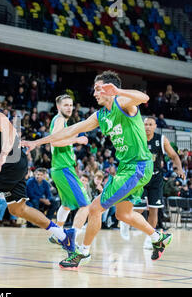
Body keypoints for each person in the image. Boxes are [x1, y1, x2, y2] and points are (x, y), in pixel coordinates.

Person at [22, 70, 172, 269]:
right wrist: (38, 142)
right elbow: (69, 130)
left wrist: (118, 91)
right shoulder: (100, 115)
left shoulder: (124, 104)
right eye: (94, 89)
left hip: (138, 166)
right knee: (123, 214)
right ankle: (158, 237)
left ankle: (82, 253)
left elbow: (144, 97)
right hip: (126, 167)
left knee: (94, 208)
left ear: (110, 89)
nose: (94, 93)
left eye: (98, 89)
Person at [0, 80, 76, 263]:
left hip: (8, 163)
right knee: (18, 208)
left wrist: (2, 156)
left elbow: (10, 130)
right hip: (16, 161)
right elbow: (0, 142)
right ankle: (64, 236)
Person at [132, 116, 185, 249]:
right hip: (141, 178)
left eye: (150, 124)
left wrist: (179, 169)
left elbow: (174, 156)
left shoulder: (161, 139)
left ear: (155, 126)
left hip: (156, 178)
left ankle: (150, 238)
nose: (147, 127)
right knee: (138, 209)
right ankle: (126, 224)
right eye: (145, 124)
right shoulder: (137, 137)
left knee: (154, 210)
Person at [46, 94, 90, 247]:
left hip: (61, 168)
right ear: (58, 107)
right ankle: (70, 238)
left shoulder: (62, 121)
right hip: (62, 168)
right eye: (65, 105)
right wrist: (76, 139)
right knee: (85, 206)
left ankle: (57, 233)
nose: (69, 108)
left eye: (71, 105)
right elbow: (55, 141)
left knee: (66, 205)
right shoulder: (59, 120)